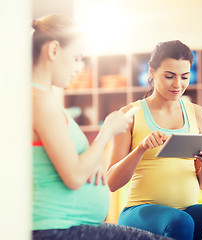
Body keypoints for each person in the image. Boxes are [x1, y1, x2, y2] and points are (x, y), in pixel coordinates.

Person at [31, 14, 170, 240]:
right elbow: (74, 176)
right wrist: (107, 132)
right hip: (57, 230)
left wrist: (89, 159)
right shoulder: (40, 100)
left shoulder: (43, 100)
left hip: (70, 225)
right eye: (76, 58)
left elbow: (74, 165)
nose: (79, 68)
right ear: (54, 50)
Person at [106, 40, 202, 240]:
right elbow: (111, 182)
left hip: (185, 210)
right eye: (169, 76)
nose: (178, 85)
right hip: (139, 211)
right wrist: (141, 148)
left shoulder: (198, 114)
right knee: (180, 222)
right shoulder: (130, 114)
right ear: (151, 72)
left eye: (184, 77)